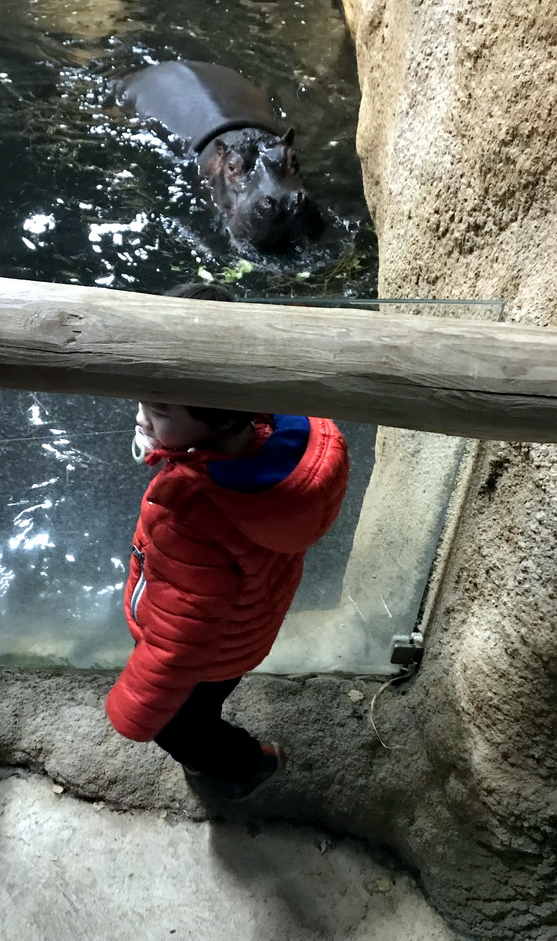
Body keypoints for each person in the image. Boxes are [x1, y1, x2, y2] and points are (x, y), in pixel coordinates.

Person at [105, 282, 349, 800]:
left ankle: (244, 768)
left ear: (218, 417)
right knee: (206, 702)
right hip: (246, 628)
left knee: (180, 727)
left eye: (160, 409)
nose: (140, 417)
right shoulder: (297, 442)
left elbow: (179, 638)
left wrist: (135, 708)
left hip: (210, 650)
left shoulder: (190, 517)